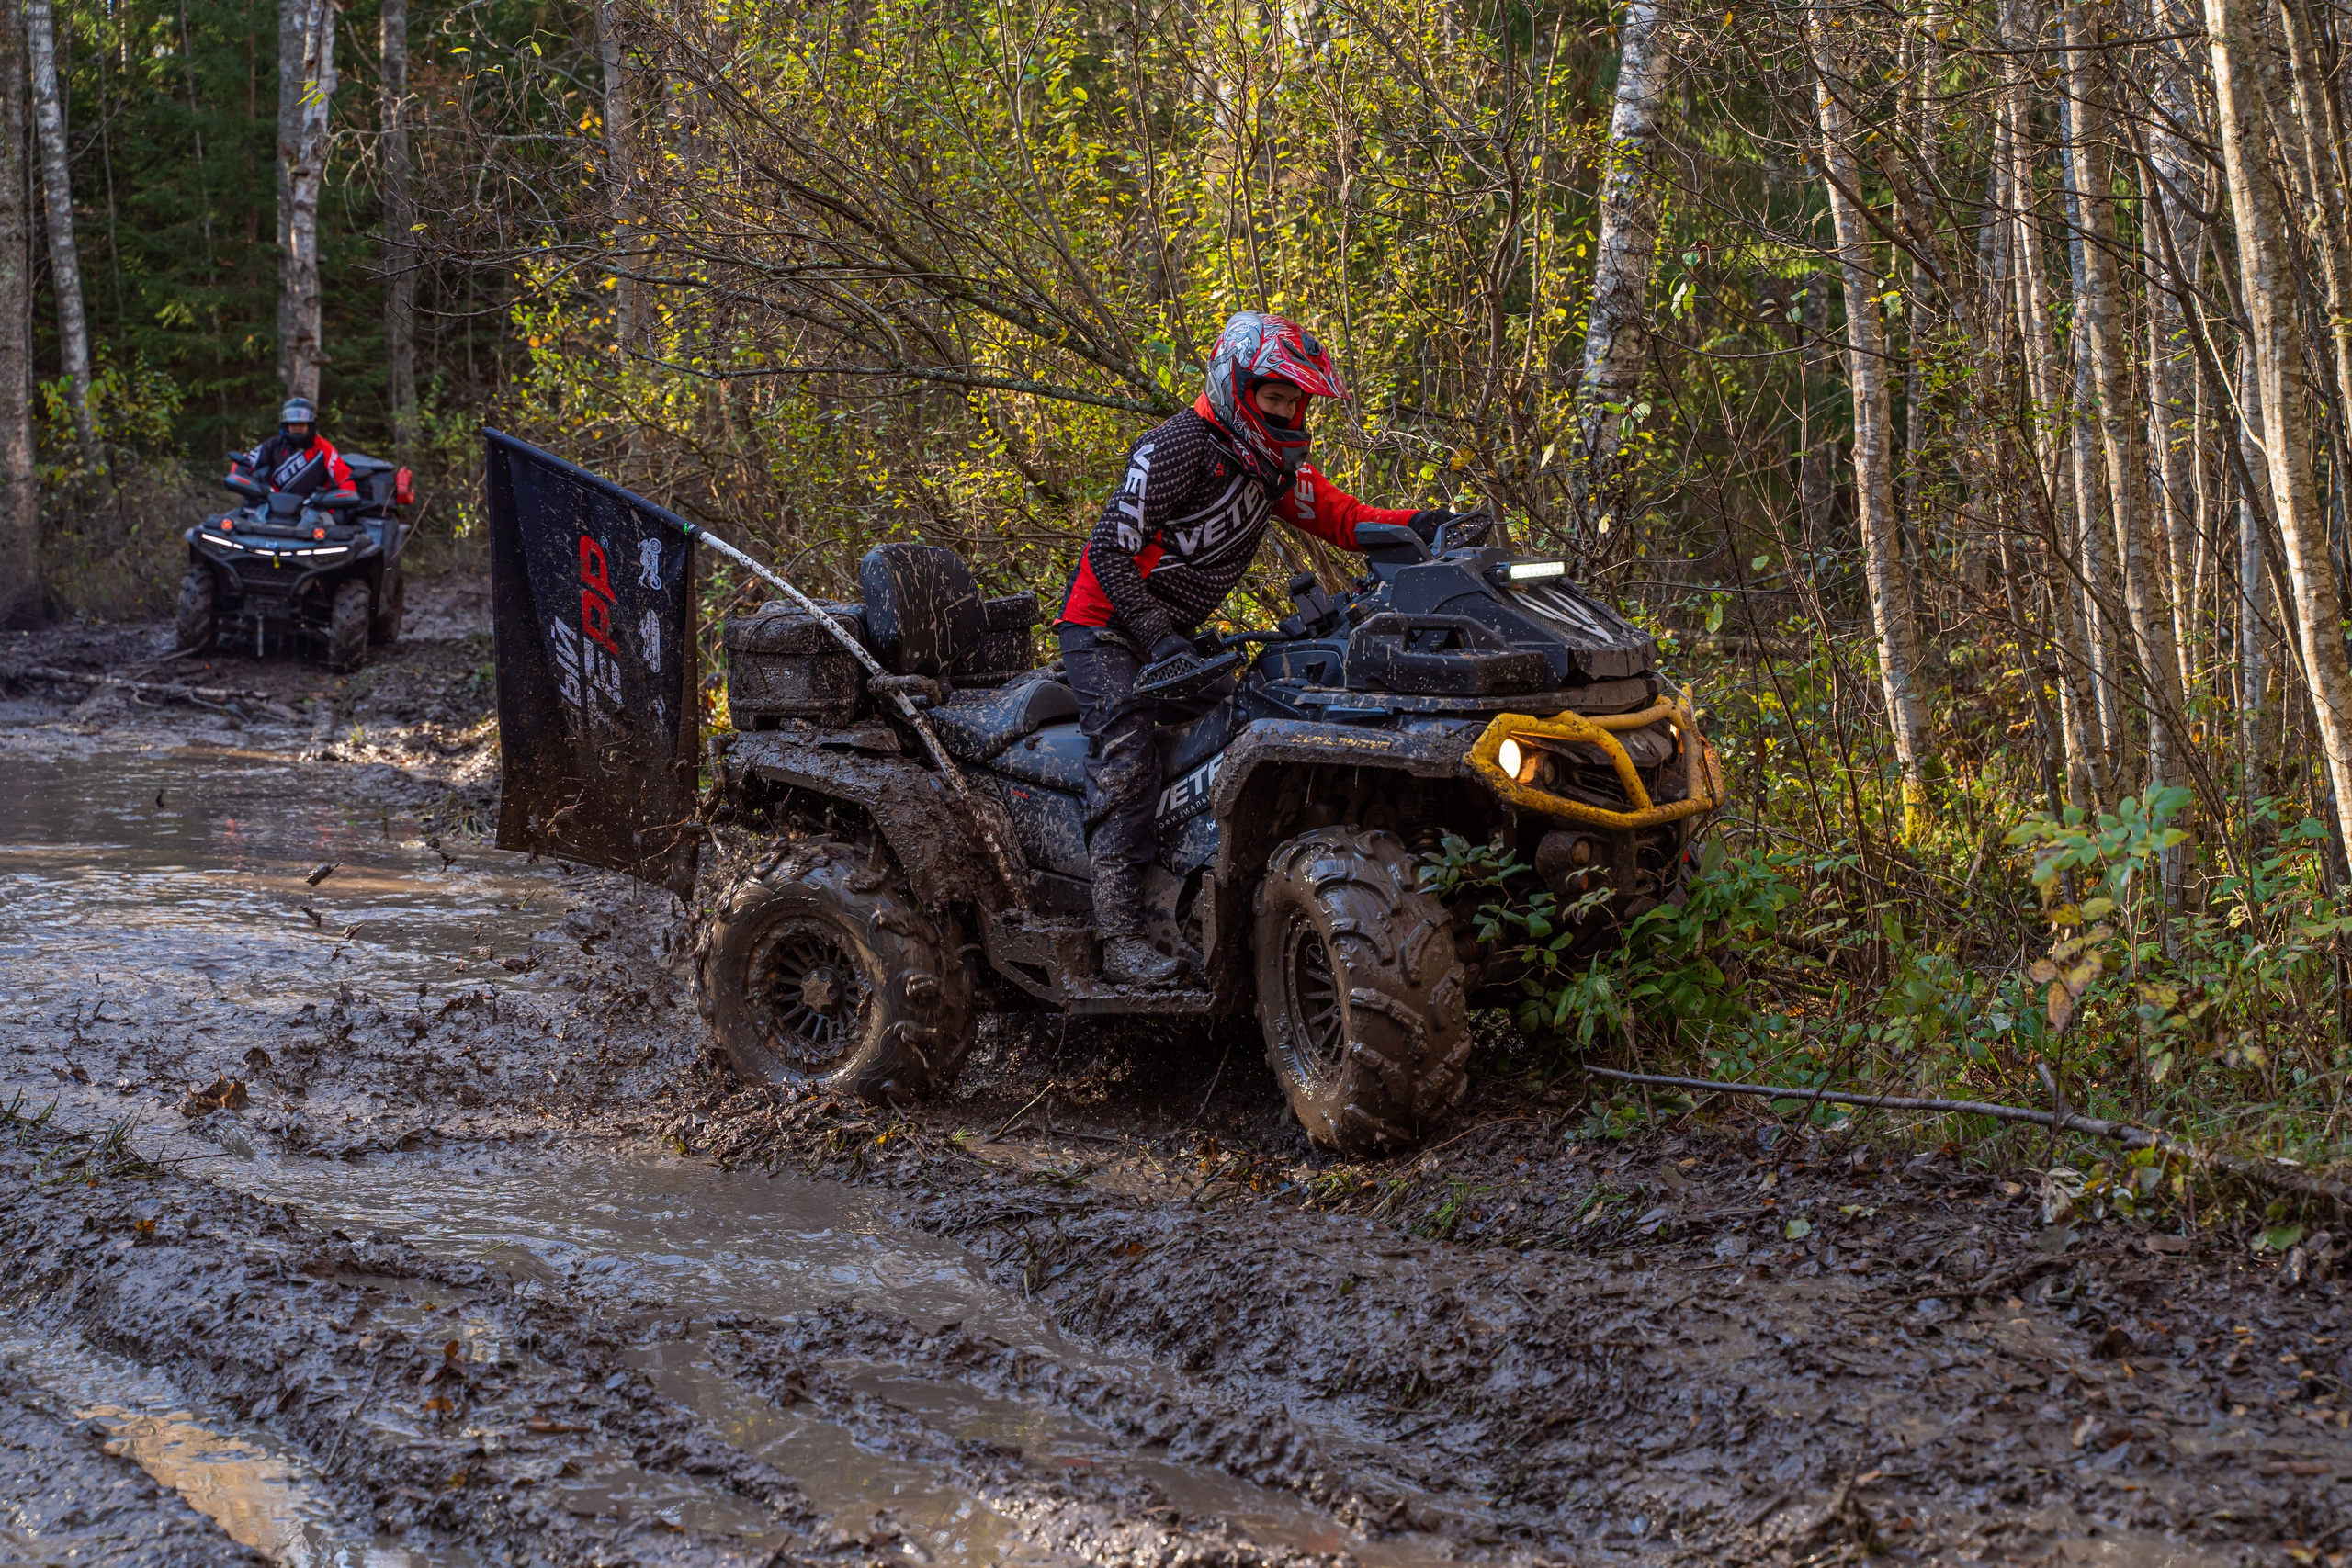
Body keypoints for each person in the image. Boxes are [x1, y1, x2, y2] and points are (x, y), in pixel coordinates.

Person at [1056, 310, 1473, 988]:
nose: (1285, 412)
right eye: (1273, 397)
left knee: (1247, 723)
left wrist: (1423, 526)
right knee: (1127, 757)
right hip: (1104, 628)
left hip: (1170, 638)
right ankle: (1119, 938)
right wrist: (1157, 636)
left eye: (1295, 402)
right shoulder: (1178, 446)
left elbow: (1343, 517)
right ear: (1236, 385)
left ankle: (1193, 900)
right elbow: (1107, 548)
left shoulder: (1266, 468)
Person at [238, 397, 356, 500]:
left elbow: (343, 476)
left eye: (302, 425)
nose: (297, 428)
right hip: (273, 503)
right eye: (293, 425)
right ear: (286, 425)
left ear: (310, 425)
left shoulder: (324, 447)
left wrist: (348, 497)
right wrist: (240, 477)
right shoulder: (274, 444)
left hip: (313, 507)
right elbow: (247, 461)